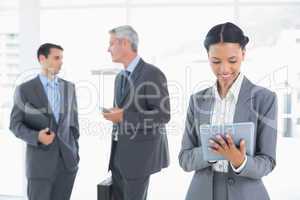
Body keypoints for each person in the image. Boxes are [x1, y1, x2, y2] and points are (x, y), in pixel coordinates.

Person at [178, 22, 277, 200]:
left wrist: (240, 160)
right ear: (208, 56)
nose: (224, 69)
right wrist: (213, 151)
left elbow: (267, 162)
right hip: (202, 193)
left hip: (246, 193)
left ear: (243, 54)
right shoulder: (197, 100)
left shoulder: (265, 99)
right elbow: (185, 159)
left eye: (232, 61)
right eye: (216, 61)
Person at [102, 25, 170, 200]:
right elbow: (124, 110)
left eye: (111, 43)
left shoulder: (152, 74)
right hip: (118, 154)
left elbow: (163, 115)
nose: (108, 49)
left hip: (140, 158)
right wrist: (115, 114)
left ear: (124, 43)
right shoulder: (120, 77)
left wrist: (124, 116)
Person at [10, 43, 80, 200]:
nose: (61, 62)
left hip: (67, 165)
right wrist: (36, 137)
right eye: (56, 58)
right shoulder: (25, 89)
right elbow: (15, 125)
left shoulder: (69, 88)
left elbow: (74, 126)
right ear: (42, 59)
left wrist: (75, 153)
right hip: (39, 166)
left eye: (62, 58)